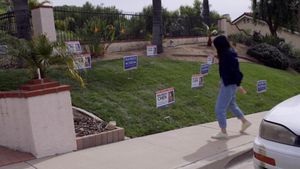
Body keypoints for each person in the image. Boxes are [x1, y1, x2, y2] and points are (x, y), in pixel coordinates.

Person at [212, 35, 251, 139]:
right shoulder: (228, 53)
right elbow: (228, 70)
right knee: (231, 105)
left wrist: (238, 85)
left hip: (229, 84)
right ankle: (245, 122)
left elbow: (235, 71)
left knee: (219, 109)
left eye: (215, 45)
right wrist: (223, 81)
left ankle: (223, 132)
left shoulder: (227, 55)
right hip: (229, 83)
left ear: (219, 45)